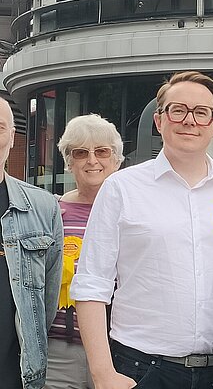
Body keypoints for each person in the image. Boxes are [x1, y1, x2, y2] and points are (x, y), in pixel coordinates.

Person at [71, 71, 213, 389]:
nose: (190, 120)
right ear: (159, 120)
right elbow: (91, 284)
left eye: (201, 112)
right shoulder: (121, 188)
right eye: (178, 110)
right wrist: (103, 374)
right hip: (141, 369)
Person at [46, 114, 124, 389]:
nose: (92, 160)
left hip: (119, 350)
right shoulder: (51, 214)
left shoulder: (134, 213)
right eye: (81, 153)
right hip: (58, 351)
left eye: (102, 151)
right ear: (69, 162)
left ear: (117, 159)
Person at [0, 96, 63, 389]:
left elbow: (45, 304)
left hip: (15, 375)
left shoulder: (42, 207)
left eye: (0, 127)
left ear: (12, 137)